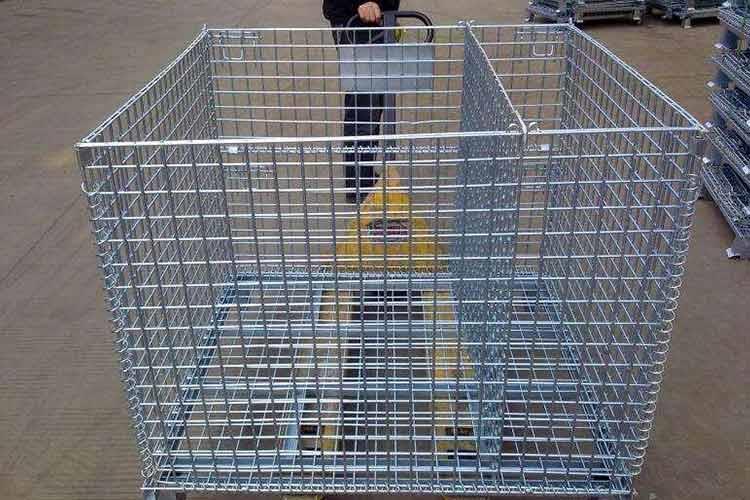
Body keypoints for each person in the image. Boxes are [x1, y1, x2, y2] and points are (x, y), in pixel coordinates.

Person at [323, 1, 401, 203]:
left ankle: (364, 176)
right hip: (358, 21)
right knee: (364, 106)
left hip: (380, 19)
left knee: (376, 102)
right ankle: (359, 186)